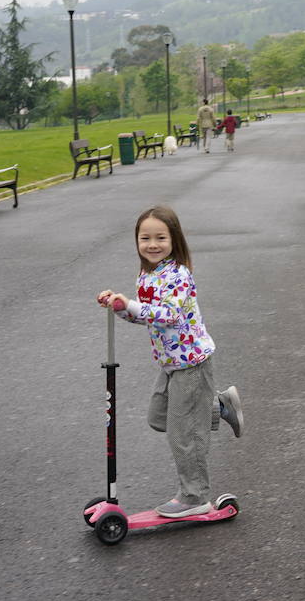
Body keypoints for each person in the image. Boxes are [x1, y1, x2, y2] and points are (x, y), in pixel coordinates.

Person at [97, 205, 244, 517]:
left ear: (174, 239)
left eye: (160, 238)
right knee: (158, 417)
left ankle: (195, 496)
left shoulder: (178, 274)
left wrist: (131, 304)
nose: (152, 244)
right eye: (145, 238)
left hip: (191, 363)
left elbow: (169, 315)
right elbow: (147, 318)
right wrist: (121, 308)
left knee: (184, 434)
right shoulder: (147, 275)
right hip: (170, 363)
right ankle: (218, 405)